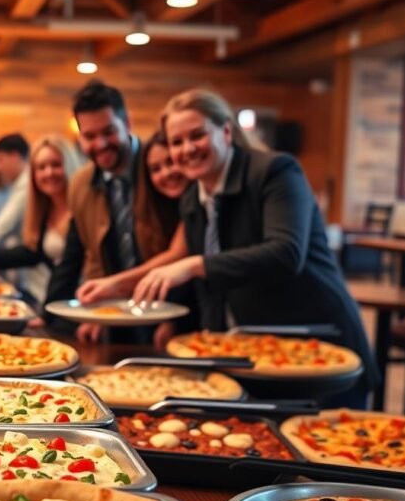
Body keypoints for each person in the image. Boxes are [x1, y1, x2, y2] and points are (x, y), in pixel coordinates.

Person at [131, 88, 376, 409]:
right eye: (177, 142)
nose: (186, 149)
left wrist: (195, 265)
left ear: (227, 132)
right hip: (253, 354)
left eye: (197, 136)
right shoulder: (193, 197)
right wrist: (202, 335)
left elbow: (286, 253)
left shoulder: (275, 171)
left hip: (315, 347)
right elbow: (213, 288)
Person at [43, 81, 172, 343]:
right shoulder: (80, 183)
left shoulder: (162, 167)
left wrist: (174, 320)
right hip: (117, 317)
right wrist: (93, 313)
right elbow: (82, 254)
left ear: (128, 123)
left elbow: (188, 245)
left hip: (168, 312)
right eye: (89, 136)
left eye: (109, 132)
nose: (100, 144)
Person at [76, 130, 198, 347]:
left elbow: (178, 256)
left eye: (170, 162)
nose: (166, 173)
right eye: (155, 169)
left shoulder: (197, 198)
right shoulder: (161, 202)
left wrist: (111, 286)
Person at [0, 136, 82, 304]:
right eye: (41, 167)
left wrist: (47, 316)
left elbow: (70, 268)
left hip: (77, 305)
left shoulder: (81, 209)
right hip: (51, 301)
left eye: (56, 165)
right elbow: (32, 252)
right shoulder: (45, 207)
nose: (49, 172)